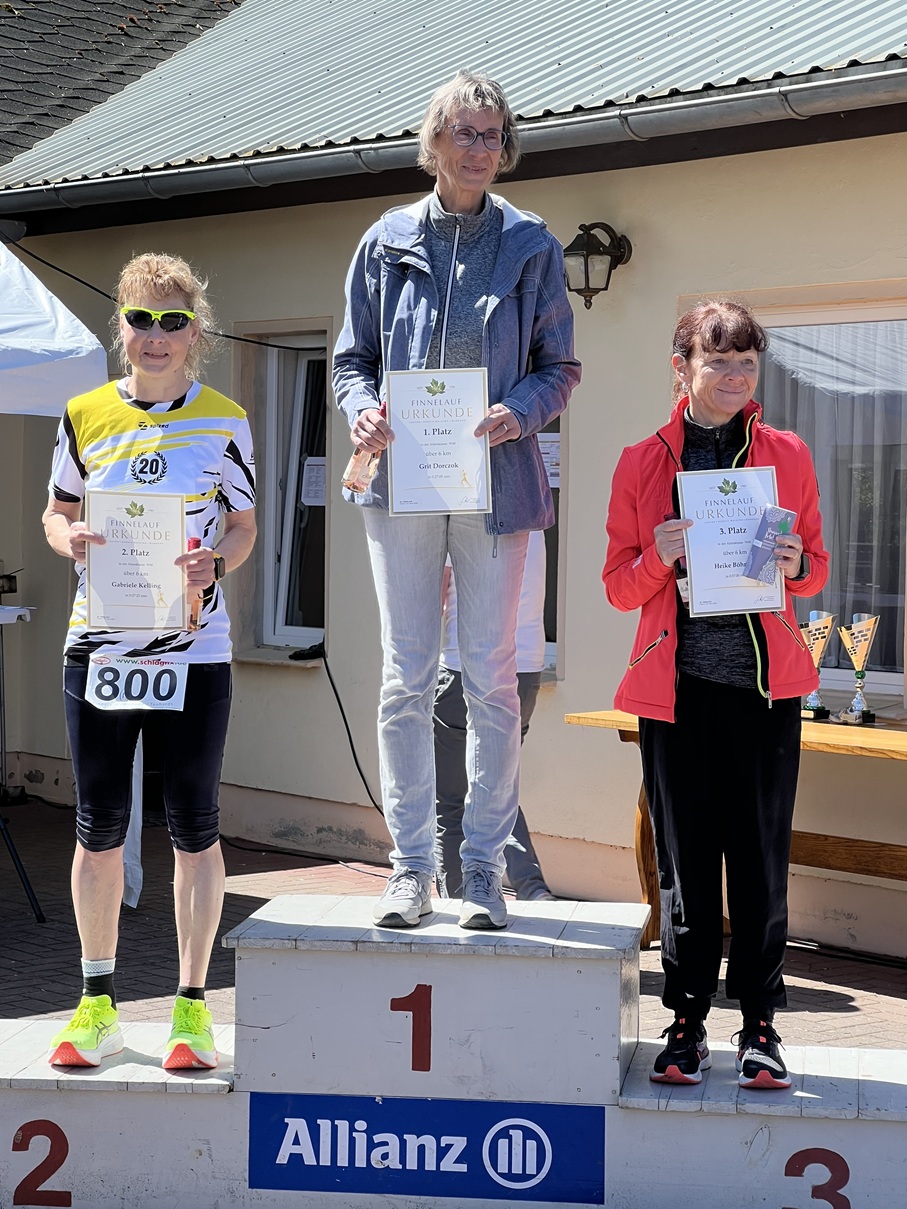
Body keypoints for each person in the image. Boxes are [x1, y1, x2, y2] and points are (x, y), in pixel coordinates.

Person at [333, 70, 580, 931]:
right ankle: (410, 868)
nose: (479, 148)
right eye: (464, 132)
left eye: (491, 134)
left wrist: (521, 411)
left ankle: (481, 869)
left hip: (495, 488)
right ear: (432, 142)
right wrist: (360, 408)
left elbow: (559, 367)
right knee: (404, 678)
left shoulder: (532, 244)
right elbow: (350, 359)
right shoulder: (385, 239)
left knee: (491, 680)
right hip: (400, 487)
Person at [602, 300, 828, 1090]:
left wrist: (795, 562)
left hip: (765, 694)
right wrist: (657, 557)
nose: (734, 376)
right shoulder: (641, 461)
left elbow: (814, 569)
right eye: (717, 360)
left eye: (746, 363)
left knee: (761, 864)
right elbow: (617, 587)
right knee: (686, 867)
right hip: (677, 695)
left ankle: (760, 1023)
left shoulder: (786, 453)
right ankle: (686, 1021)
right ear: (682, 368)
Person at [42, 252, 256, 1069]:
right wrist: (69, 537)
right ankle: (96, 1002)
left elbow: (243, 526)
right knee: (99, 825)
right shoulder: (83, 412)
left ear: (195, 332)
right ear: (121, 325)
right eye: (141, 318)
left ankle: (191, 1008)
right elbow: (56, 511)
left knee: (193, 824)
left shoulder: (226, 418)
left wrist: (218, 563)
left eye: (173, 320)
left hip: (194, 648)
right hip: (99, 644)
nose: (156, 335)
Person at [434, 531, 555, 900]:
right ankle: (533, 891)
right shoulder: (532, 513)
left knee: (452, 801)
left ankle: (459, 901)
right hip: (526, 667)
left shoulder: (462, 511)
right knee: (495, 789)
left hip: (464, 666)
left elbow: (432, 599)